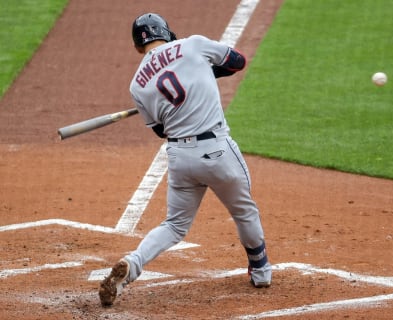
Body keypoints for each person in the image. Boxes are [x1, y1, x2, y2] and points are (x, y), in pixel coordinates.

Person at [99, 13, 272, 307]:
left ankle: (132, 263)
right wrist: (205, 72)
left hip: (180, 158)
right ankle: (261, 271)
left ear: (137, 45)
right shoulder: (193, 46)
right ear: (164, 32)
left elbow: (160, 130)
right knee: (243, 211)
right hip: (217, 150)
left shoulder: (138, 86)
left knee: (174, 226)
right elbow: (237, 62)